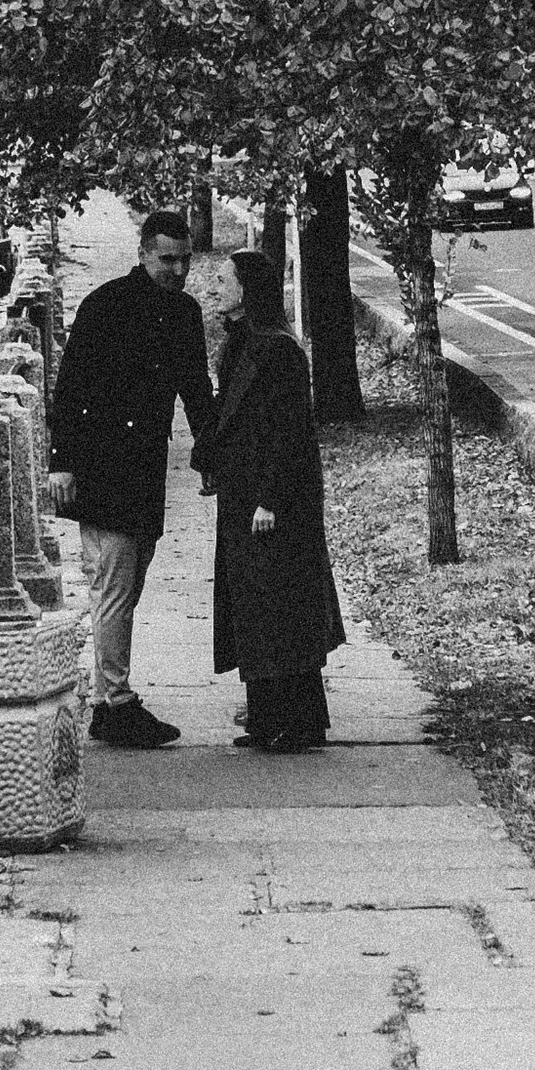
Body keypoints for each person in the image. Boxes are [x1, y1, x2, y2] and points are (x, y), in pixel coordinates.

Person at [47, 209, 216, 749]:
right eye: (167, 259)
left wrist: (209, 452)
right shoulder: (105, 305)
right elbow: (70, 387)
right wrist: (61, 461)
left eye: (185, 259)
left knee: (129, 582)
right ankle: (113, 702)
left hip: (144, 466)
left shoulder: (186, 314)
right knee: (114, 585)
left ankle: (107, 695)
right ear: (142, 252)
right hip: (99, 464)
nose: (178, 269)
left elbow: (195, 390)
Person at [208, 249, 344, 754]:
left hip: (275, 502)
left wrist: (269, 499)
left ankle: (299, 722)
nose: (217, 285)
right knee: (257, 609)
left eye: (225, 279)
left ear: (248, 290)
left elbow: (290, 434)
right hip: (245, 494)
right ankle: (268, 719)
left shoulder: (279, 349)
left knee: (280, 609)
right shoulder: (244, 342)